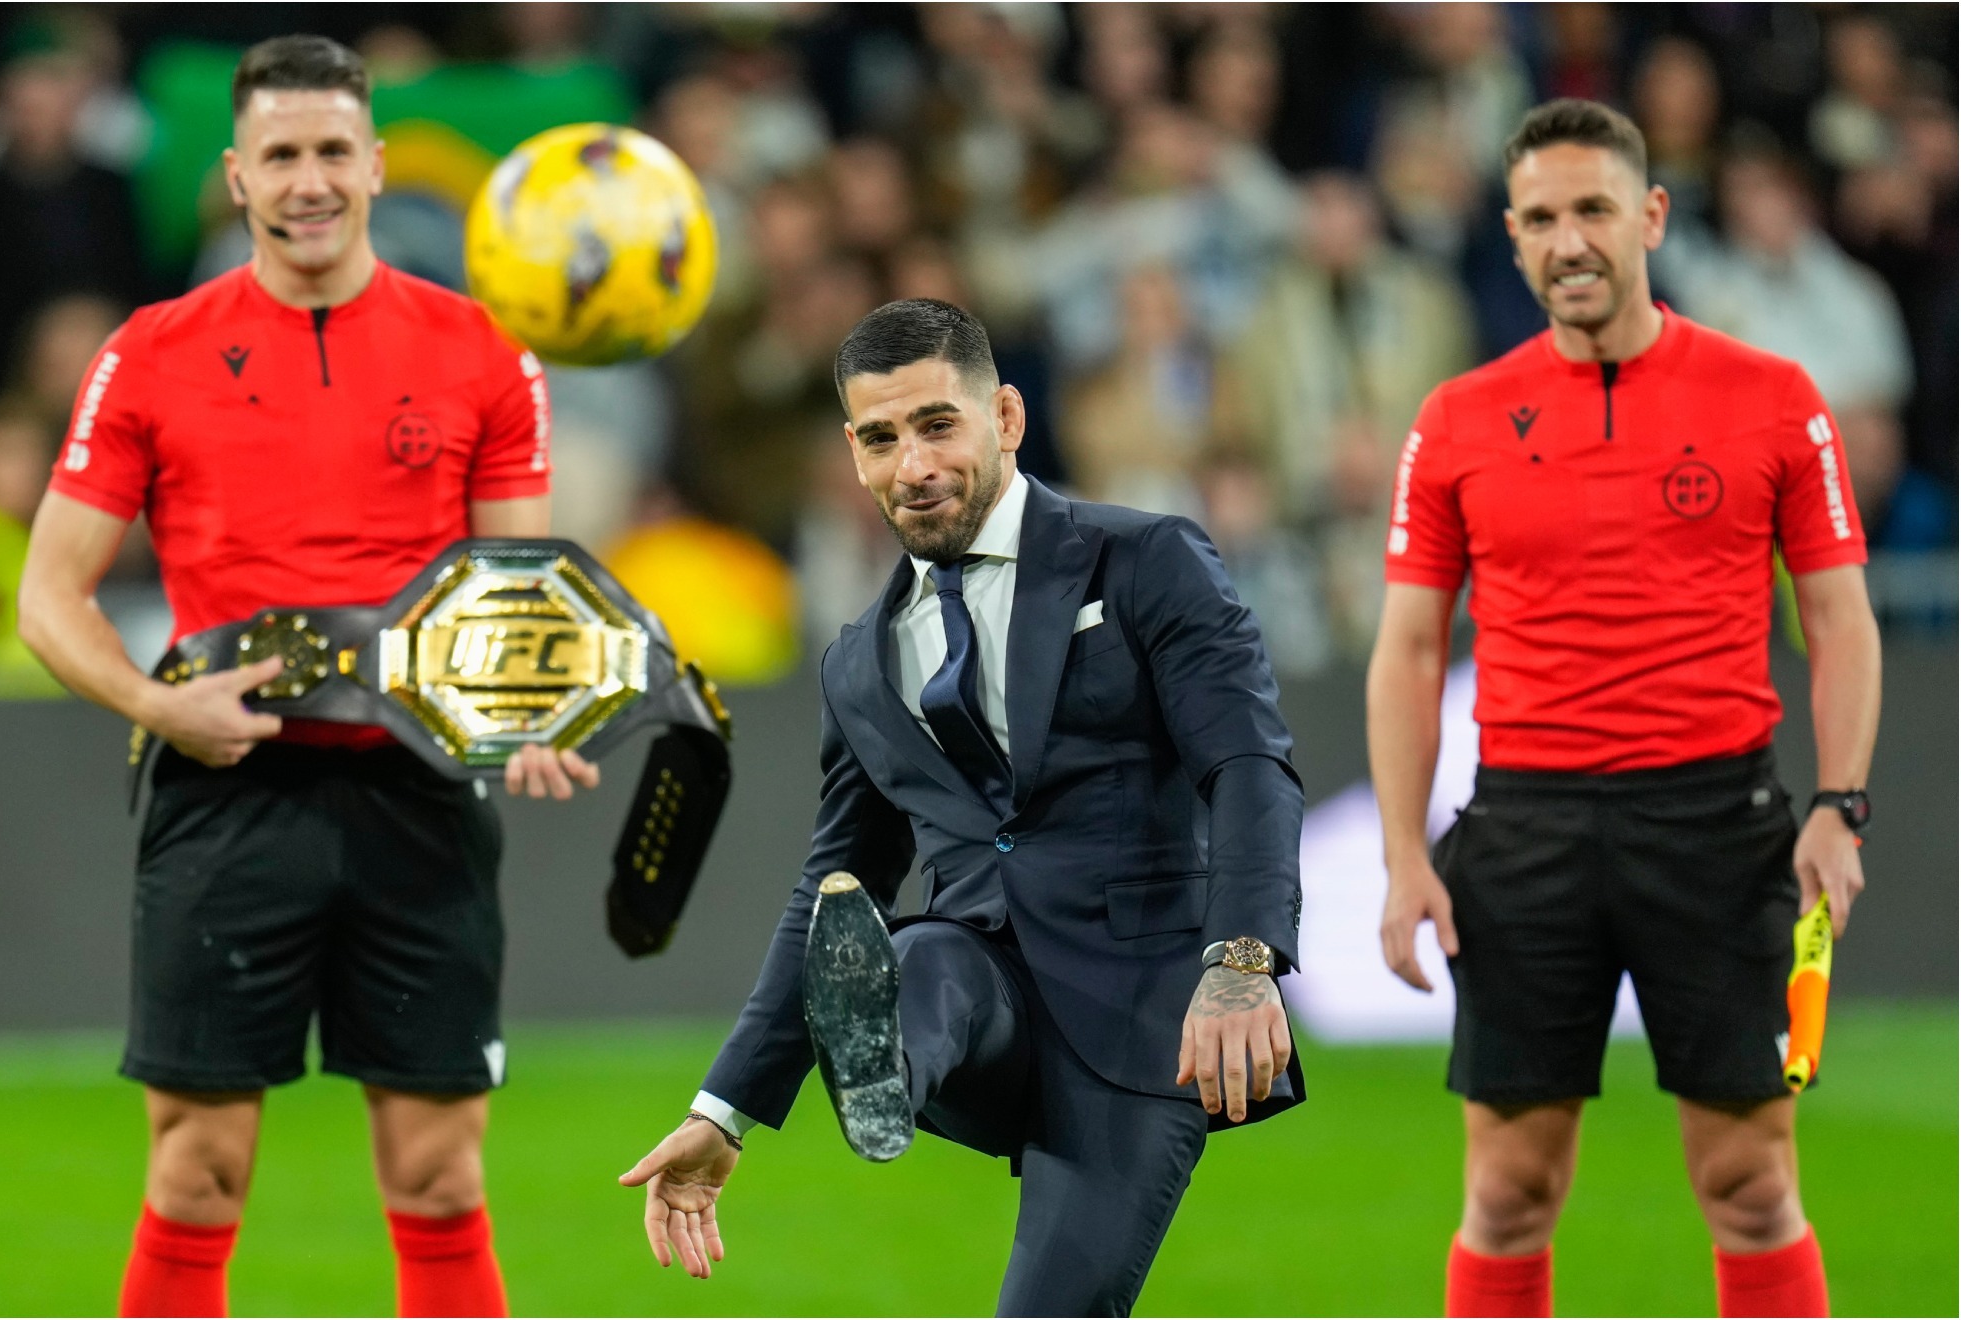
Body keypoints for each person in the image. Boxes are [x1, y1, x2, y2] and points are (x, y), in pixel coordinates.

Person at [16, 35, 598, 1319]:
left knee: (443, 1177)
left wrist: (527, 711)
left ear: (378, 163)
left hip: (420, 793)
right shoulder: (152, 351)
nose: (310, 179)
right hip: (227, 796)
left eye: (334, 149)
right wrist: (157, 705)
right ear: (237, 175)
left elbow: (515, 586)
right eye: (281, 154)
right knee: (197, 1170)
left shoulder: (483, 353)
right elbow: (47, 594)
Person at [619, 298, 1307, 1316]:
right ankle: (882, 1071)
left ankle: (889, 1054)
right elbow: (831, 883)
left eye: (939, 424)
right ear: (853, 451)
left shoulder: (1145, 559)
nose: (915, 465)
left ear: (1008, 419)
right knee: (912, 949)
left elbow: (1248, 763)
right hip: (974, 1002)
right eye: (882, 438)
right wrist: (725, 1110)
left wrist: (1242, 963)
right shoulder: (859, 659)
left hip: (1144, 1016)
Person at [1368, 100, 1880, 1319]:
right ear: (1512, 237)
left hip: (1718, 822)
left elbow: (1843, 620)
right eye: (1541, 218)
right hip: (1527, 831)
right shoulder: (1455, 420)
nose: (1569, 240)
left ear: (1650, 215)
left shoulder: (1771, 396)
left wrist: (1840, 807)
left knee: (1752, 1183)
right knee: (1507, 1194)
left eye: (1593, 208)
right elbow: (1405, 650)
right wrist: (1402, 856)